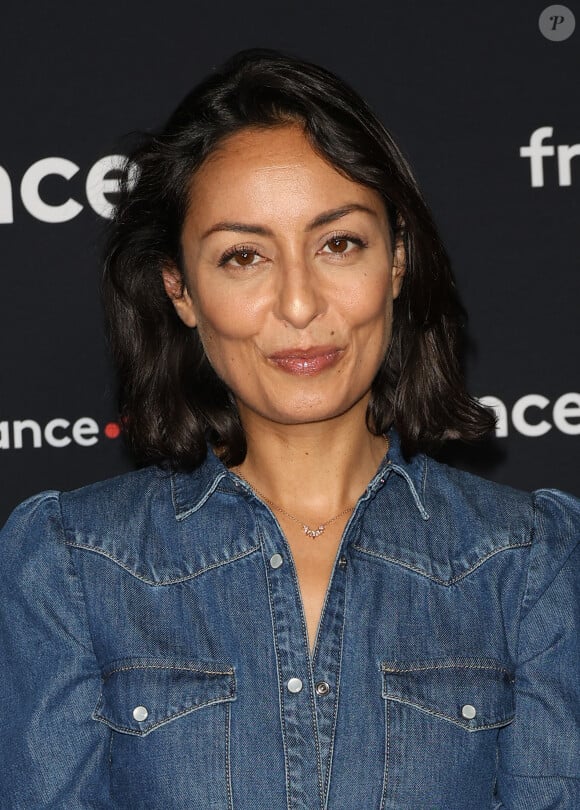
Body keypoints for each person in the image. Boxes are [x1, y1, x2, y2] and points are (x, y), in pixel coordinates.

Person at [0, 48, 578, 810]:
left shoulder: (529, 564)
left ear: (397, 259)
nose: (299, 304)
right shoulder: (70, 568)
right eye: (243, 256)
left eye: (338, 243)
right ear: (180, 290)